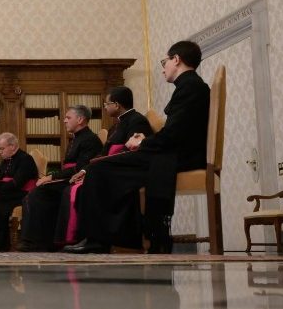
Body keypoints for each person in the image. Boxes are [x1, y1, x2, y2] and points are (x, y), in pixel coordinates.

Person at [65, 41, 210, 253]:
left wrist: (142, 142)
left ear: (176, 59)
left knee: (98, 169)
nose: (163, 68)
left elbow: (174, 135)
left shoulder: (190, 87)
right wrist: (146, 140)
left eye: (165, 61)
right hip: (178, 154)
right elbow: (177, 131)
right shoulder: (191, 86)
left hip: (179, 158)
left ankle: (100, 239)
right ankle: (117, 237)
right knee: (103, 168)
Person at [55, 86, 153, 246]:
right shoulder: (117, 125)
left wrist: (94, 167)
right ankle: (89, 237)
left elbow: (135, 151)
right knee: (91, 174)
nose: (105, 107)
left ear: (116, 104)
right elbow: (103, 153)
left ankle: (97, 239)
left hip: (126, 171)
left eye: (106, 104)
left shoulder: (137, 120)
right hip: (110, 168)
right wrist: (85, 169)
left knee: (94, 176)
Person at [16, 105, 102, 251]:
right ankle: (34, 240)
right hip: (67, 178)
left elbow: (79, 168)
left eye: (68, 118)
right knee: (35, 193)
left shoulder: (90, 139)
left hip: (78, 181)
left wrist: (51, 177)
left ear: (80, 119)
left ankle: (39, 242)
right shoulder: (75, 139)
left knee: (39, 194)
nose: (64, 121)